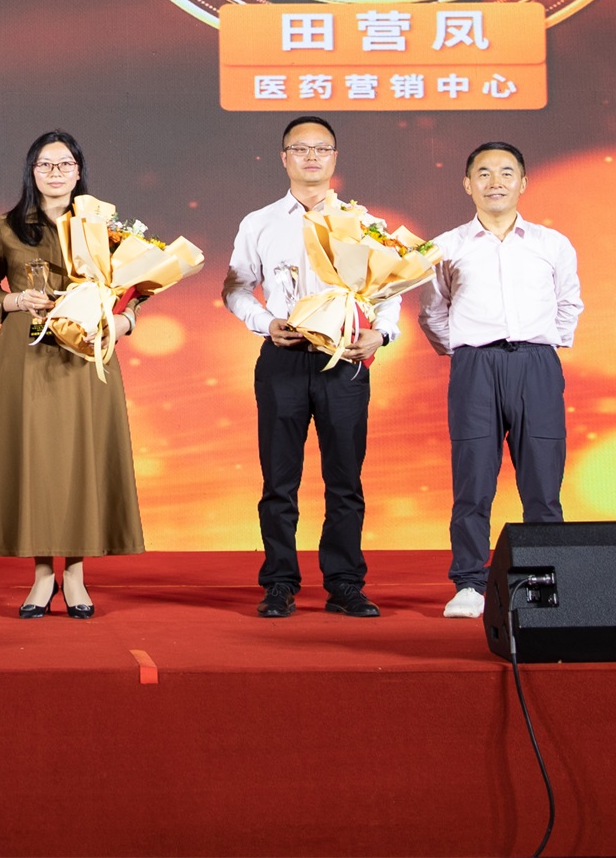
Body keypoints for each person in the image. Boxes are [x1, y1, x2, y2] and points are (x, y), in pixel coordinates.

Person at [0, 131, 146, 619]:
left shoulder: (103, 227)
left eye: (65, 164)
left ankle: (76, 573)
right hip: (27, 353)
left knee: (82, 456)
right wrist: (12, 300)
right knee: (37, 459)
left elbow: (139, 286)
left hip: (85, 351)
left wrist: (126, 322)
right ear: (31, 171)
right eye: (45, 164)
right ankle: (43, 573)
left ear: (79, 170)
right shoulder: (5, 227)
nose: (55, 173)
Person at [222, 114, 395, 618]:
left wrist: (382, 333)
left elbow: (390, 290)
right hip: (284, 357)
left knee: (345, 479)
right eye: (301, 149)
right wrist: (265, 322)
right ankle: (279, 582)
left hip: (344, 360)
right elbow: (235, 287)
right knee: (279, 480)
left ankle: (344, 583)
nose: (311, 157)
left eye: (321, 149)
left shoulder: (364, 223)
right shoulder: (259, 222)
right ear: (284, 158)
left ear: (335, 158)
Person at [414, 142, 583, 621]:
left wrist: (542, 347)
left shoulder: (552, 244)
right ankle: (469, 583)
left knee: (543, 483)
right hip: (475, 367)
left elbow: (568, 304)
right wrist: (465, 353)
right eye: (484, 173)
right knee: (472, 481)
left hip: (537, 365)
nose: (495, 182)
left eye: (507, 172)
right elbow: (433, 312)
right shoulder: (445, 246)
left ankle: (545, 580)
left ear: (523, 183)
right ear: (467, 184)